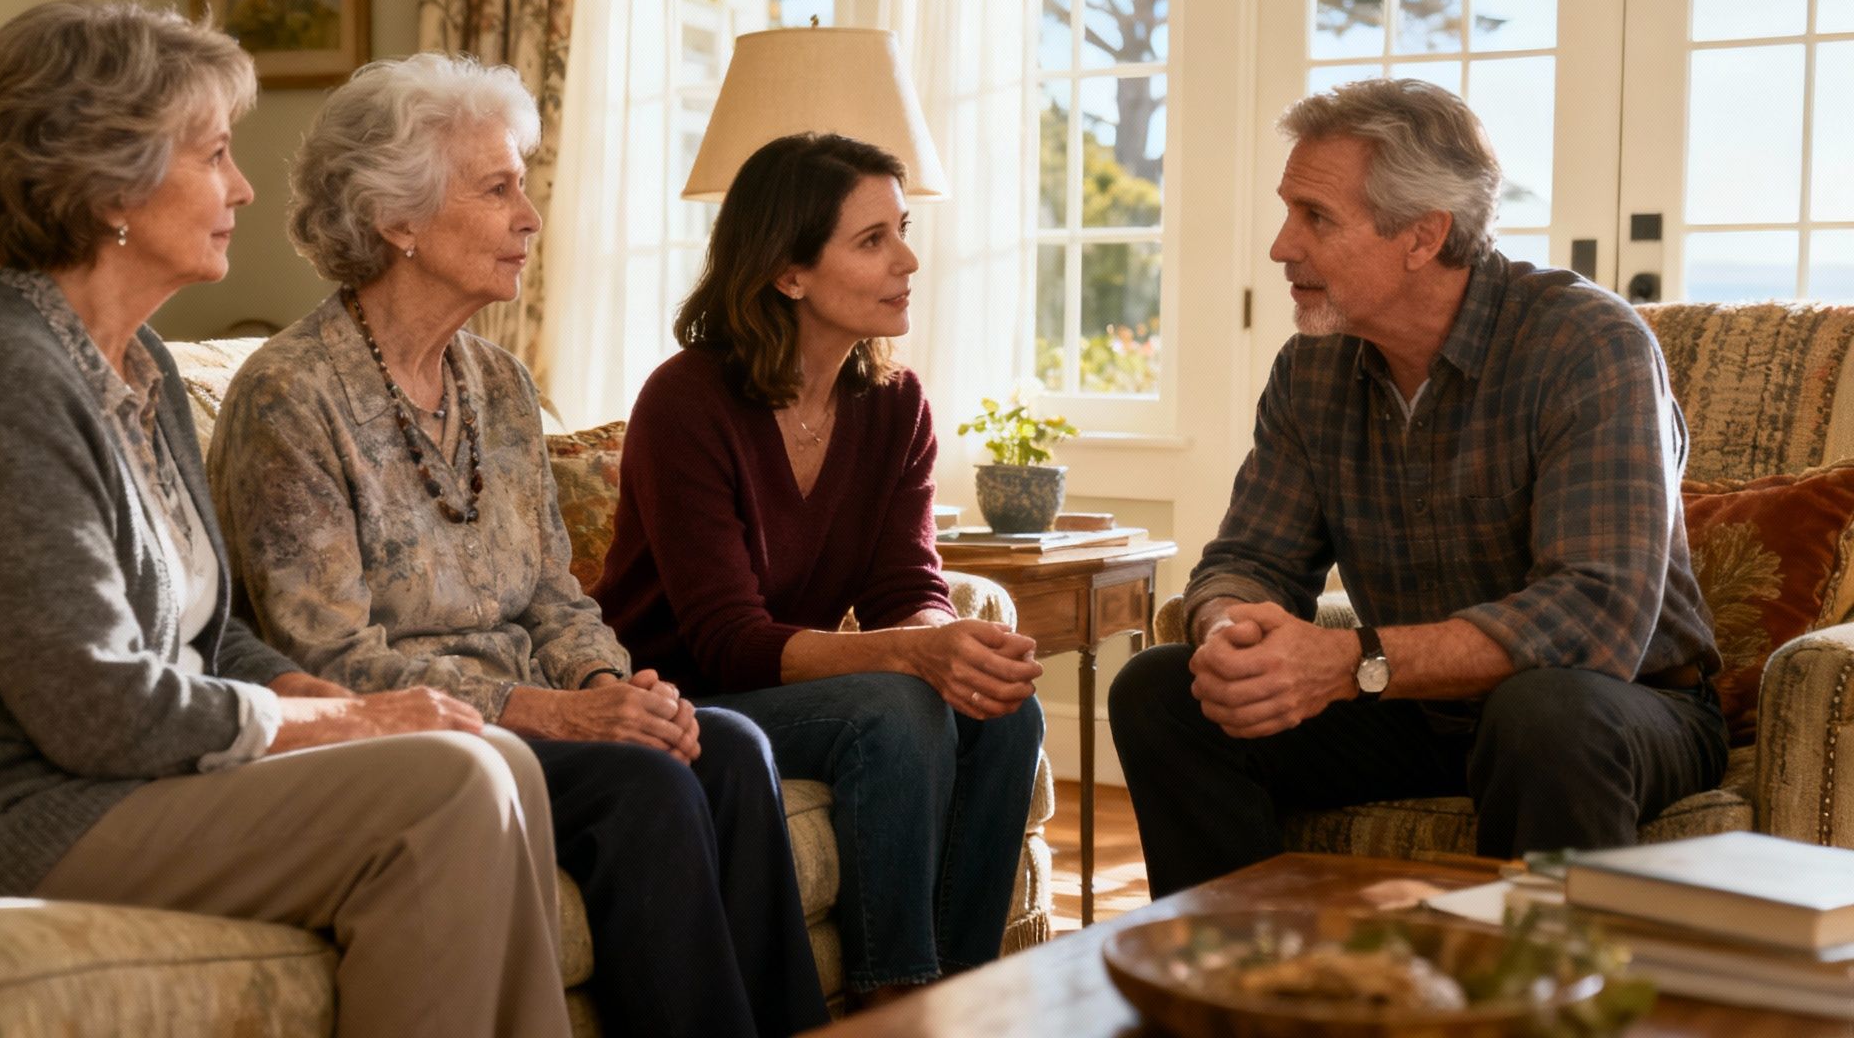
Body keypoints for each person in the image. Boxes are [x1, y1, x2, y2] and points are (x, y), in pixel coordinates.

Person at [0, 0, 569, 1038]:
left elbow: (205, 638)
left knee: (502, 760)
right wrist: (338, 718)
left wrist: (295, 689)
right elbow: (96, 705)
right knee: (442, 795)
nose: (243, 188)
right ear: (112, 180)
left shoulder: (142, 364)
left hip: (110, 778)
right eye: (215, 154)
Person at [207, 52, 827, 1038]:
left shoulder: (497, 384)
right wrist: (554, 714)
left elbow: (553, 597)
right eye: (498, 188)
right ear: (394, 219)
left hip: (533, 719)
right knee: (643, 788)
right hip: (420, 744)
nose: (529, 216)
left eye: (523, 186)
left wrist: (606, 691)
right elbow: (324, 655)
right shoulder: (291, 397)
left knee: (730, 747)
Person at [1107, 78, 1729, 895]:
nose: (1280, 247)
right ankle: (1245, 980)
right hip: (1419, 710)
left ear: (1423, 236)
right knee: (1162, 691)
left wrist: (1351, 661)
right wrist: (1232, 629)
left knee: (1543, 715)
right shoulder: (1312, 369)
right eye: (1288, 211)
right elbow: (1249, 555)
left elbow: (1595, 618)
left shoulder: (1587, 344)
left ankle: (1538, 1007)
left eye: (1315, 217)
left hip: (1625, 706)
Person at [591, 133, 1046, 1005]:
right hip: (684, 698)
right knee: (894, 706)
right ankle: (893, 1001)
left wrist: (943, 639)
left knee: (1003, 712)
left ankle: (963, 996)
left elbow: (907, 587)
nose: (909, 259)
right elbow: (726, 641)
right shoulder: (686, 401)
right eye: (872, 240)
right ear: (789, 271)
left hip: (778, 688)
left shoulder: (895, 403)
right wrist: (913, 658)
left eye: (903, 230)